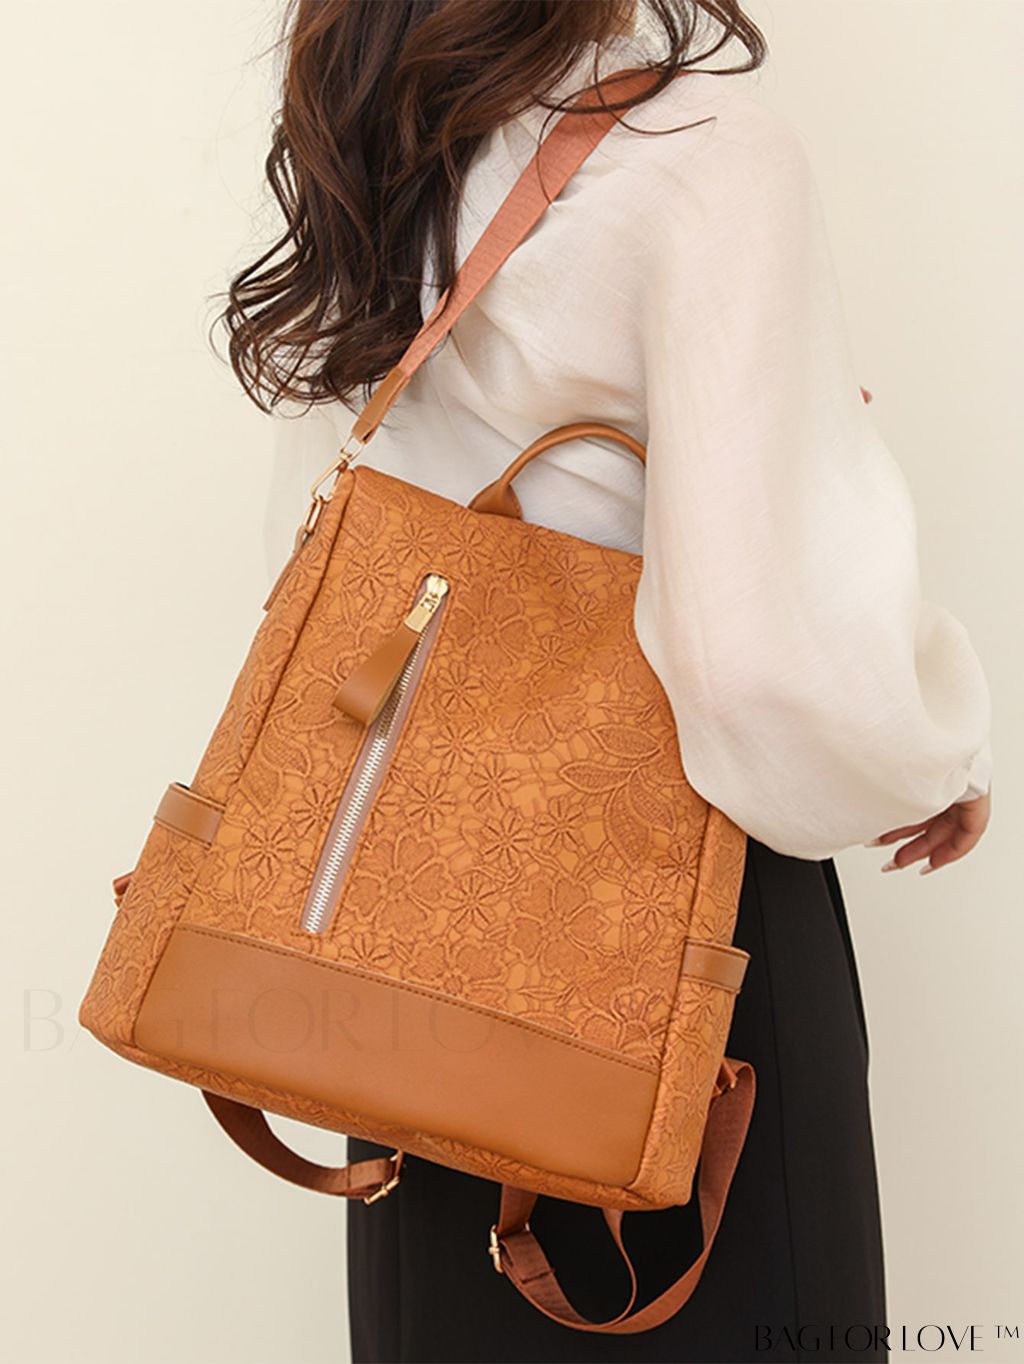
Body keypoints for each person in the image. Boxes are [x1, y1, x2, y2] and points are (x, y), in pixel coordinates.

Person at [222, 3, 993, 1360]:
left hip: (400, 931)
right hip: (672, 934)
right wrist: (923, 754)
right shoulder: (703, 154)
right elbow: (763, 665)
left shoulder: (378, 129)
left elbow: (338, 544)